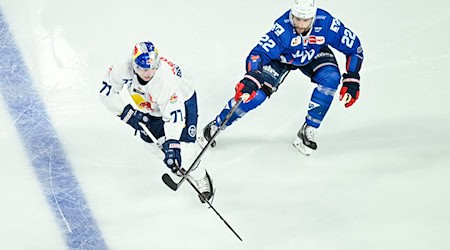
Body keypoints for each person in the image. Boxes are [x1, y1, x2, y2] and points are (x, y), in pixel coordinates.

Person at [199, 0, 364, 156]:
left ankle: (309, 128)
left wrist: (352, 78)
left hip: (312, 54)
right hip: (281, 59)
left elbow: (354, 47)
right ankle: (216, 125)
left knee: (331, 78)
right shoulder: (282, 29)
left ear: (313, 18)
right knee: (255, 96)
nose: (299, 24)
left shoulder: (327, 24)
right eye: (297, 18)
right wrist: (252, 77)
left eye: (305, 20)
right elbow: (258, 54)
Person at [99, 41, 214, 202]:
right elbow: (106, 93)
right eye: (145, 69)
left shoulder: (164, 80)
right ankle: (176, 163)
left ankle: (201, 176)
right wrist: (126, 113)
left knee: (184, 150)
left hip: (183, 99)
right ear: (135, 66)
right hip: (151, 103)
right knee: (150, 143)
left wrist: (172, 144)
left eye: (153, 67)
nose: (149, 73)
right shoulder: (121, 68)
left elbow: (174, 114)